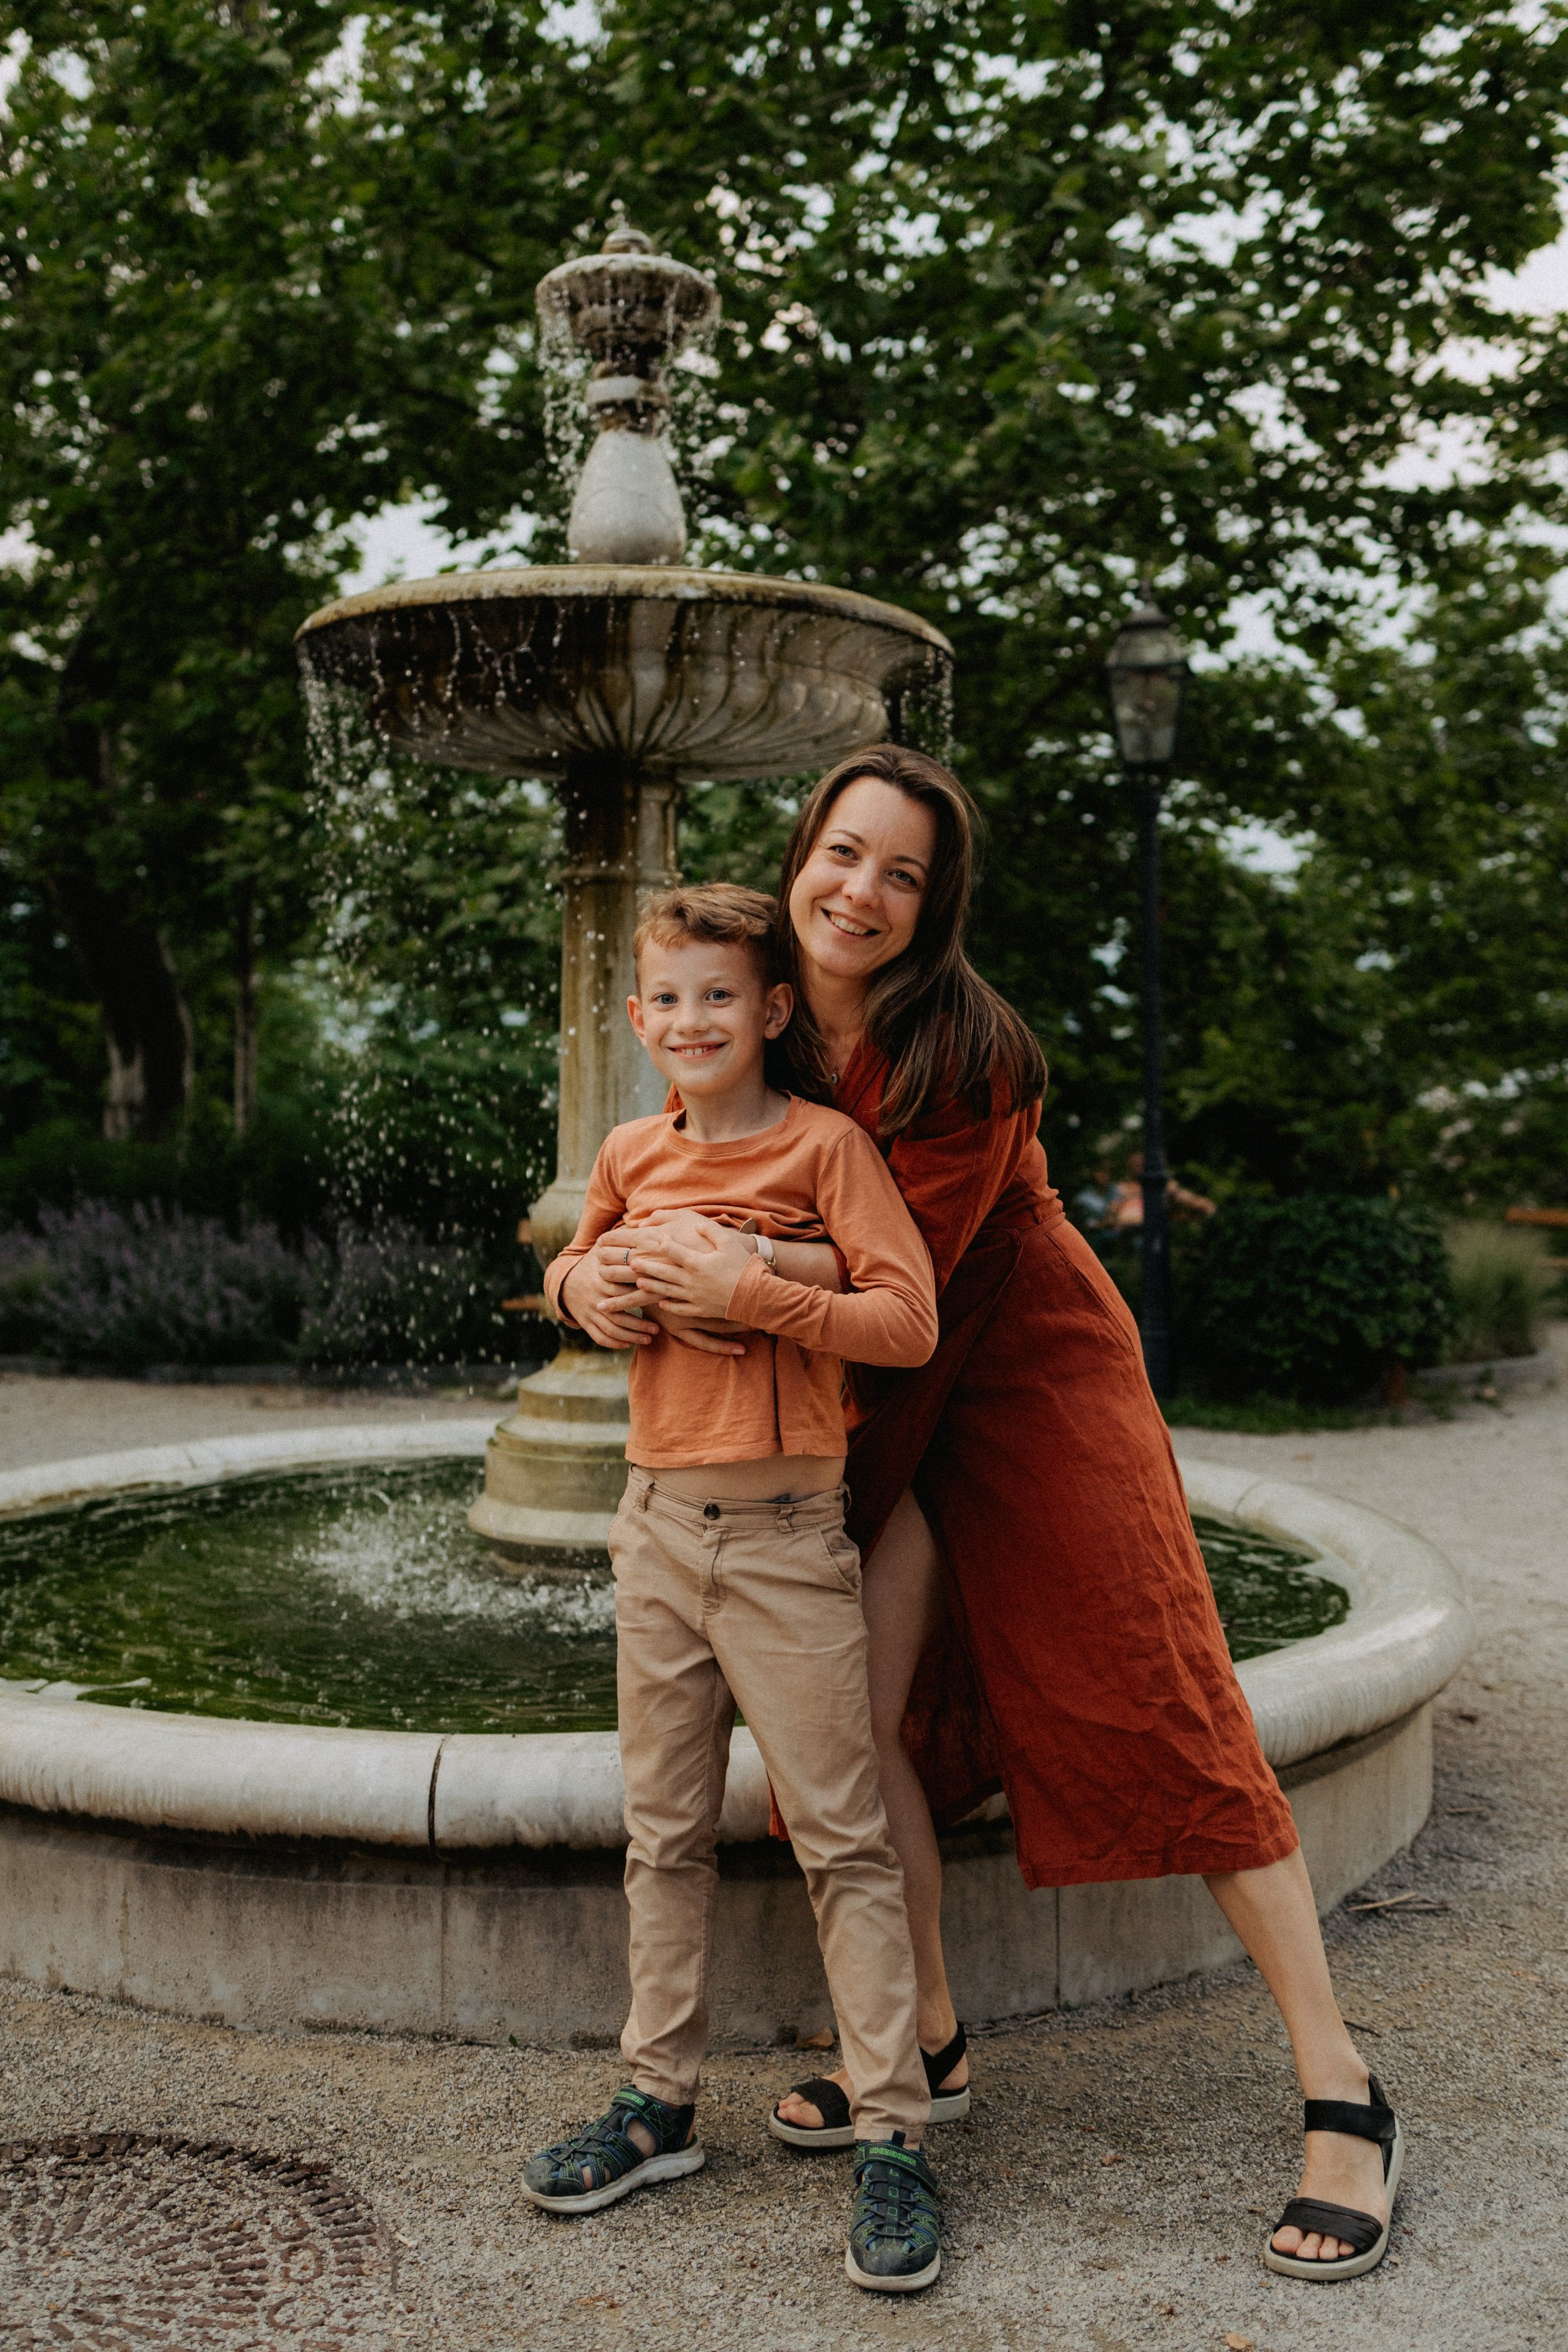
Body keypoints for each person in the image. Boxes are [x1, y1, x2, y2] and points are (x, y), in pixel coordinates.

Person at [580, 754, 1406, 2285]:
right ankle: (933, 2043)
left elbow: (896, 1276)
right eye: (843, 853)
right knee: (856, 1714)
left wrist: (729, 1278)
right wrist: (612, 1269)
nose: (861, 892)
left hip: (1017, 1364)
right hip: (870, 1393)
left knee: (1161, 1694)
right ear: (802, 853)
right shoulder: (749, 1002)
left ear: (933, 900)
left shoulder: (971, 1050)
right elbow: (680, 1184)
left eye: (902, 872)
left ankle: (1342, 2087)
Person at [520, 882, 946, 2296]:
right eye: (667, 999)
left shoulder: (827, 1149)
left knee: (843, 1838)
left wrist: (758, 1287)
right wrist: (585, 1288)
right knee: (663, 1833)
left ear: (770, 1013)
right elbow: (577, 1263)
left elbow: (906, 1317)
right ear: (638, 1018)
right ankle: (660, 2105)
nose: (692, 1020)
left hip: (783, 1534)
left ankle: (893, 2132)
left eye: (721, 996)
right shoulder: (633, 1148)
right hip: (653, 1526)